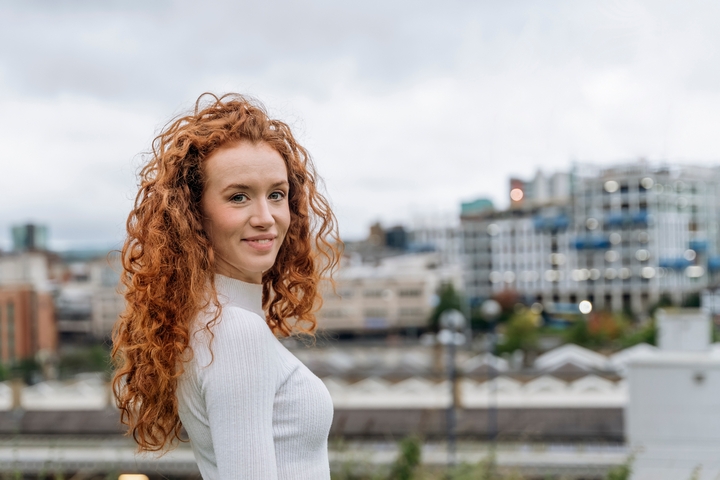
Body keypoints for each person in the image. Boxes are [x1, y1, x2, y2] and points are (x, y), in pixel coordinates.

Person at [111, 93, 341, 479]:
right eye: (239, 197)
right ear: (192, 215)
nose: (266, 218)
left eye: (276, 195)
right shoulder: (234, 330)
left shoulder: (206, 319)